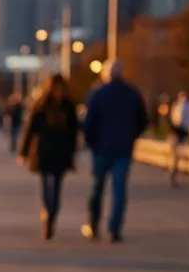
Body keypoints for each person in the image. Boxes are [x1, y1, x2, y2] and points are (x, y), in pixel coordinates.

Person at [81, 59, 149, 242]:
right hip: (123, 149)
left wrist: (90, 142)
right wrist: (131, 136)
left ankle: (93, 224)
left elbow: (89, 123)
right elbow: (143, 120)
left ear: (105, 74)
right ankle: (114, 228)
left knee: (97, 187)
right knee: (119, 190)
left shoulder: (98, 94)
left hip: (101, 149)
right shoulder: (132, 94)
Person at [17, 74, 80, 240]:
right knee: (46, 185)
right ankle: (47, 211)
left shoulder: (68, 107)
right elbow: (30, 129)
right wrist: (23, 152)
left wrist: (73, 151)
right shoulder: (42, 105)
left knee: (57, 186)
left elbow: (74, 132)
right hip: (44, 152)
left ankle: (51, 214)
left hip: (61, 152)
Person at [169, 90, 189, 187]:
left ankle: (175, 173)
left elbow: (176, 119)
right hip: (182, 131)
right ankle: (175, 173)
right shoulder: (186, 105)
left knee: (176, 154)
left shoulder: (179, 105)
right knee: (178, 153)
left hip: (179, 131)